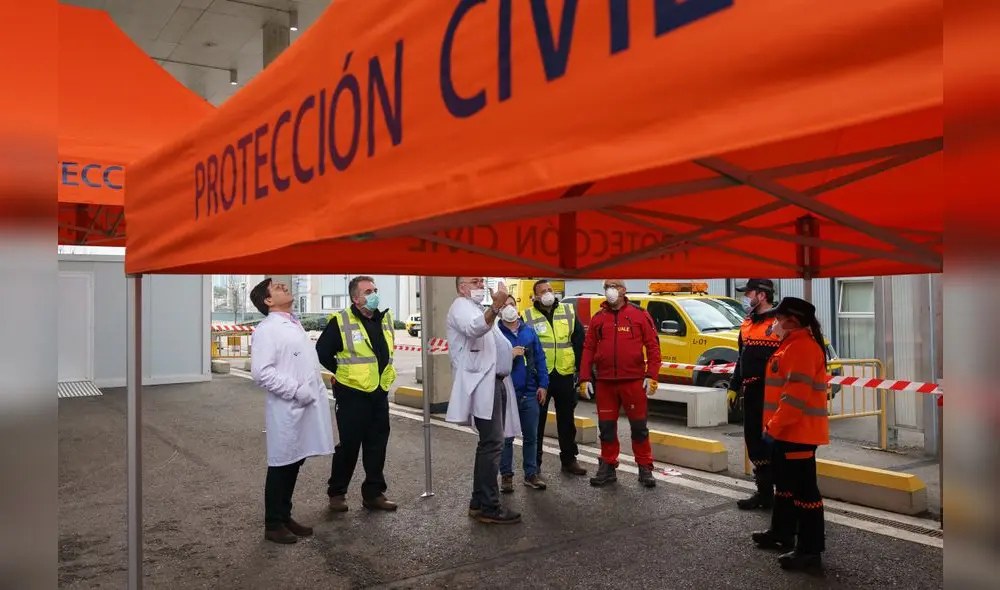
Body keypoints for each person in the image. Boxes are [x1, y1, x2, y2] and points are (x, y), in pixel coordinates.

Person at [249, 278, 336, 544]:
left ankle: (284, 516)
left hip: (304, 406)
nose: (284, 287)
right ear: (267, 301)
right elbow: (261, 372)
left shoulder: (291, 323)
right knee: (282, 463)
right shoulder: (267, 329)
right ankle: (273, 524)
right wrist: (296, 391)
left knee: (294, 461)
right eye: (277, 287)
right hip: (289, 406)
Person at [751, 297, 831, 571]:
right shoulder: (792, 345)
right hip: (786, 432)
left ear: (792, 321)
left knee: (804, 493)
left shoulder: (802, 349)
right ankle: (782, 534)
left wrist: (772, 429)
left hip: (797, 433)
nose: (774, 323)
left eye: (778, 318)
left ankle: (810, 551)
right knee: (785, 488)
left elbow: (794, 400)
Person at [316, 275, 398, 512]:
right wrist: (343, 372)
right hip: (352, 394)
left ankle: (374, 493)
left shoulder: (385, 318)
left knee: (377, 445)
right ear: (355, 297)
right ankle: (337, 493)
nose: (374, 294)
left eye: (375, 289)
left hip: (379, 393)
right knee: (349, 446)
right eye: (368, 291)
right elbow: (322, 352)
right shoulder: (341, 320)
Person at [445, 278, 522, 524]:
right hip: (481, 385)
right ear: (461, 287)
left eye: (481, 279)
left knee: (489, 444)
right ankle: (489, 505)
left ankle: (479, 501)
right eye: (474, 281)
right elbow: (475, 329)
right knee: (493, 444)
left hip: (494, 383)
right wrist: (496, 308)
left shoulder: (475, 307)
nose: (480, 283)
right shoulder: (460, 306)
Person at [578, 279, 662, 488]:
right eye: (606, 287)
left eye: (614, 286)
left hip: (633, 382)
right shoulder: (598, 318)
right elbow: (588, 349)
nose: (610, 290)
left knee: (639, 428)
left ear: (624, 290)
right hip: (606, 383)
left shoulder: (639, 315)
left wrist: (652, 375)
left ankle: (645, 467)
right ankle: (607, 466)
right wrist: (585, 377)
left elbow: (653, 346)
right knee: (606, 428)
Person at [523, 280, 588, 476]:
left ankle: (569, 460)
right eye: (543, 291)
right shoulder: (527, 316)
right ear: (535, 296)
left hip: (564, 373)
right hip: (540, 377)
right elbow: (525, 347)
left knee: (567, 421)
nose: (548, 293)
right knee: (537, 422)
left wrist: (580, 370)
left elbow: (578, 340)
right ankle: (535, 464)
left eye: (550, 290)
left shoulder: (567, 311)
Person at [731, 278, 782, 510]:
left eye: (748, 293)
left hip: (773, 393)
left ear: (761, 295)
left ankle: (783, 495)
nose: (745, 298)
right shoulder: (748, 323)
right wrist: (734, 386)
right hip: (751, 391)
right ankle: (764, 493)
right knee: (754, 442)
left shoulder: (780, 323)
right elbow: (741, 358)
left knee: (774, 443)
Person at [497, 295, 549, 492]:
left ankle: (531, 474)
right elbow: (490, 361)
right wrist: (509, 354)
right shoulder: (496, 333)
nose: (509, 308)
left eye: (512, 304)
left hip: (529, 393)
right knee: (506, 437)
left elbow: (541, 359)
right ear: (499, 310)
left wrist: (543, 384)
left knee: (531, 437)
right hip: (507, 393)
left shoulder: (528, 332)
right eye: (504, 305)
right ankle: (506, 476)